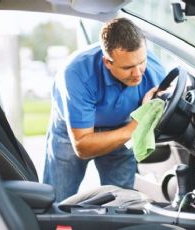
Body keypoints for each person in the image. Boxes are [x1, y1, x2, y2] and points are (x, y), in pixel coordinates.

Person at [43, 17, 166, 201]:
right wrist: (137, 126)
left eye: (141, 61)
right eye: (128, 67)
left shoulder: (155, 72)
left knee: (121, 203)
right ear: (107, 62)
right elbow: (83, 146)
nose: (138, 73)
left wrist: (154, 107)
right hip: (73, 133)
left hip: (121, 127)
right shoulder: (76, 73)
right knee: (57, 201)